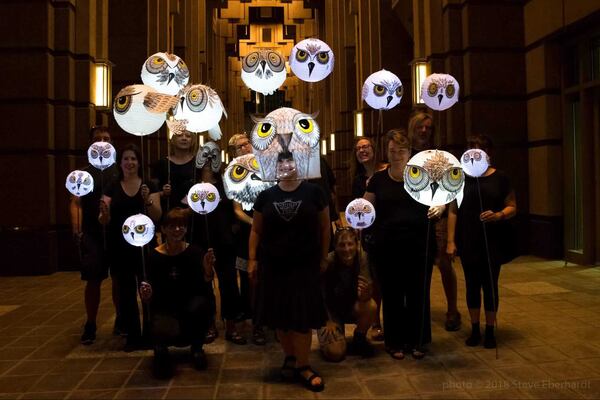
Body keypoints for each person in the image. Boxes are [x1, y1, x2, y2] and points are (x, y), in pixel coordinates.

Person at [249, 151, 330, 392]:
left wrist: (324, 257)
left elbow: (325, 228)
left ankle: (304, 365)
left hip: (305, 265)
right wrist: (252, 259)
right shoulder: (265, 196)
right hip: (274, 266)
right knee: (281, 318)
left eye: (290, 160)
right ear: (274, 167)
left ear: (299, 164)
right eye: (280, 161)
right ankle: (290, 357)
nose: (285, 164)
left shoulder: (314, 192)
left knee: (302, 319)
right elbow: (256, 230)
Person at [363, 129, 444, 360]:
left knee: (419, 293)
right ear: (386, 152)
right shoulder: (378, 180)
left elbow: (443, 198)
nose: (397, 155)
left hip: (420, 245)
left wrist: (440, 208)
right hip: (387, 247)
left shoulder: (423, 175)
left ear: (409, 153)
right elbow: (365, 207)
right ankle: (395, 341)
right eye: (392, 151)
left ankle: (418, 340)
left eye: (401, 150)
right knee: (393, 294)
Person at [447, 134, 517, 349]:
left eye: (480, 149)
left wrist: (499, 215)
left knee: (490, 285)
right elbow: (453, 210)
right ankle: (475, 329)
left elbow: (512, 206)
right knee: (471, 285)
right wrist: (450, 241)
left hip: (492, 239)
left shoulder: (501, 177)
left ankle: (490, 330)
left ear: (489, 153)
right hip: (468, 238)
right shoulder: (460, 177)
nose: (475, 153)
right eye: (471, 149)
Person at [140, 207, 216, 378]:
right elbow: (149, 290)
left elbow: (205, 283)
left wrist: (207, 269)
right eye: (172, 226)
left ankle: (197, 348)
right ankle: (161, 350)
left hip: (189, 304)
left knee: (201, 305)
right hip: (165, 306)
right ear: (163, 229)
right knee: (161, 328)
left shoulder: (195, 252)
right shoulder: (153, 256)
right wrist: (146, 293)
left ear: (186, 229)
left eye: (181, 226)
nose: (177, 230)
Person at [99, 143, 162, 351]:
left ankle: (151, 331)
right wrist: (104, 215)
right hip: (120, 246)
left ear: (139, 162)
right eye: (126, 158)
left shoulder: (149, 185)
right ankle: (133, 335)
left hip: (145, 246)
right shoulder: (111, 186)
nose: (130, 162)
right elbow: (103, 217)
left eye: (133, 159)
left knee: (147, 288)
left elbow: (157, 216)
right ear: (120, 162)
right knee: (125, 293)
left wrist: (147, 201)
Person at [408, 112, 461, 331]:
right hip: (412, 217)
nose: (424, 131)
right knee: (416, 267)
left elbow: (452, 188)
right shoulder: (406, 154)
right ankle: (417, 311)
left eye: (428, 128)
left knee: (444, 263)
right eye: (421, 127)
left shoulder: (440, 155)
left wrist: (443, 205)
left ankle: (452, 309)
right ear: (413, 128)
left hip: (436, 216)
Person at [190, 141, 246, 345]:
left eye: (213, 155)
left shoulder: (225, 182)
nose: (208, 159)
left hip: (224, 240)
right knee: (204, 284)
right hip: (200, 240)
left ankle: (231, 326)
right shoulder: (192, 184)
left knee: (229, 283)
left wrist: (233, 226)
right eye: (204, 155)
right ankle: (209, 325)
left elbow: (235, 207)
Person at [70, 126, 119, 345]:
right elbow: (75, 202)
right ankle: (90, 323)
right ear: (90, 144)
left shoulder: (119, 171)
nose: (101, 142)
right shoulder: (83, 173)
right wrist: (77, 229)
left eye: (106, 139)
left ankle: (121, 320)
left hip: (117, 232)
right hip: (92, 232)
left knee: (119, 279)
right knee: (93, 280)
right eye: (97, 139)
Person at [228, 133, 267, 345]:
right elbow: (236, 210)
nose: (245, 148)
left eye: (246, 144)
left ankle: (267, 319)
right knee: (249, 279)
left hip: (268, 232)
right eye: (239, 147)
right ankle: (254, 322)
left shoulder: (264, 166)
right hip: (246, 233)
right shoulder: (233, 174)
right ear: (234, 153)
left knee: (267, 278)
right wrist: (254, 224)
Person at [317, 228, 376, 362]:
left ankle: (359, 339)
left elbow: (366, 294)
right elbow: (319, 296)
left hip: (351, 307)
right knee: (336, 353)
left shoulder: (363, 257)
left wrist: (365, 294)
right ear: (335, 247)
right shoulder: (328, 262)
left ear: (356, 244)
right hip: (330, 312)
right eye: (342, 245)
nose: (347, 249)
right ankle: (333, 340)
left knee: (371, 306)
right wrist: (327, 320)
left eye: (350, 244)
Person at [350, 136, 387, 341]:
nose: (362, 151)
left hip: (388, 231)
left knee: (387, 280)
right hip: (370, 235)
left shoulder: (386, 170)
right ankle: (376, 322)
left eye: (365, 147)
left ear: (374, 149)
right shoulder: (358, 179)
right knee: (373, 280)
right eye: (358, 149)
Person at [152, 130, 198, 212]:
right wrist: (162, 193)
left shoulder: (198, 163)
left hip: (193, 211)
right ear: (173, 139)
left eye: (188, 136)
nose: (184, 138)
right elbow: (153, 191)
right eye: (180, 135)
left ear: (192, 140)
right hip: (168, 211)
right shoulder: (162, 163)